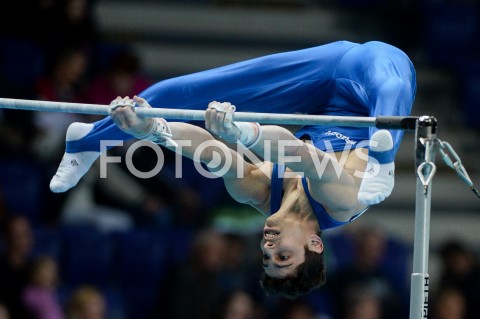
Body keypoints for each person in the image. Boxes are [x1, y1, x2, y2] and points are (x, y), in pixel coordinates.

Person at [50, 41, 416, 298]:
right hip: (373, 88)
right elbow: (301, 156)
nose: (269, 247)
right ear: (315, 243)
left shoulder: (255, 193)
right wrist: (244, 133)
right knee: (393, 86)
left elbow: (209, 152)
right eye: (283, 256)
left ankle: (86, 141)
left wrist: (150, 130)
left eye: (266, 257)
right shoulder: (343, 203)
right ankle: (384, 159)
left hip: (322, 94)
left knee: (170, 99)